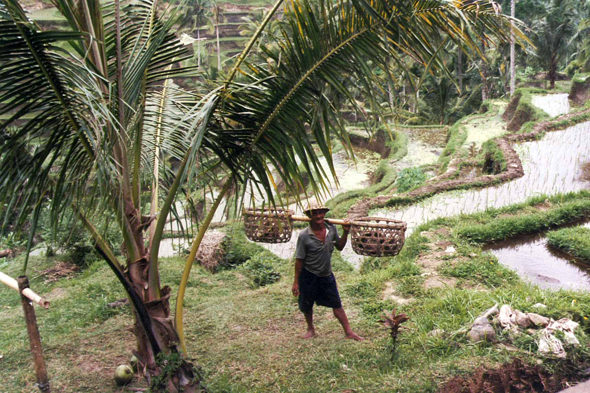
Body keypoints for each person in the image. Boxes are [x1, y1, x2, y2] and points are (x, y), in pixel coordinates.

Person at [291, 202, 364, 341]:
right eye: (314, 213)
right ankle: (310, 329)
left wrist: (346, 231)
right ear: (308, 216)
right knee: (307, 304)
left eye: (320, 212)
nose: (318, 216)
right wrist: (296, 282)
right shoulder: (304, 235)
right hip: (308, 275)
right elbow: (299, 259)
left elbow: (340, 247)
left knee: (336, 303)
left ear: (324, 213)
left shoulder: (331, 229)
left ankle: (348, 332)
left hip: (326, 275)